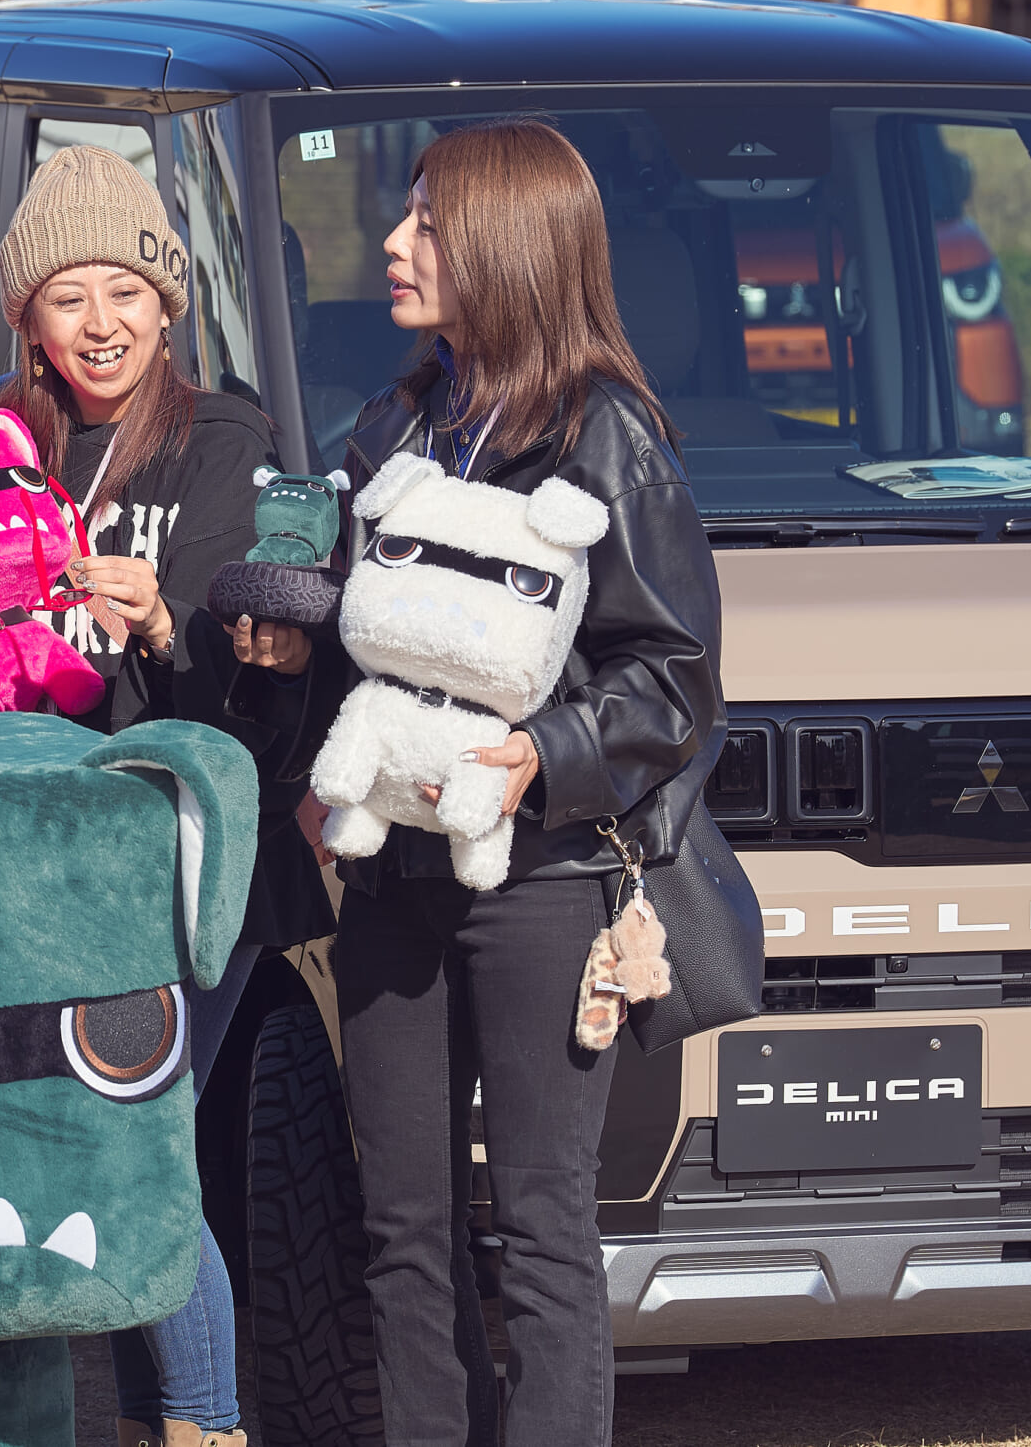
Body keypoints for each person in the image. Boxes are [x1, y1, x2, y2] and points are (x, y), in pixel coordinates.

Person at [282, 118, 723, 1447]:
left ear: (507, 245)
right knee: (402, 1225)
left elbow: (675, 681)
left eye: (427, 223)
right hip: (393, 880)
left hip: (547, 882)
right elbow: (361, 636)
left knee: (540, 1228)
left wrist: (545, 753)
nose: (395, 244)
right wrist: (302, 714)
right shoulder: (393, 425)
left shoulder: (609, 438)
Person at [0, 145, 332, 1447]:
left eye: (126, 291)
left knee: (129, 1134)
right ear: (27, 316)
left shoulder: (219, 438)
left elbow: (247, 666)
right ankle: (152, 1415)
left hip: (193, 848)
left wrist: (155, 620)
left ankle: (201, 1418)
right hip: (44, 847)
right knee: (99, 1134)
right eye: (68, 296)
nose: (101, 323)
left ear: (167, 303)